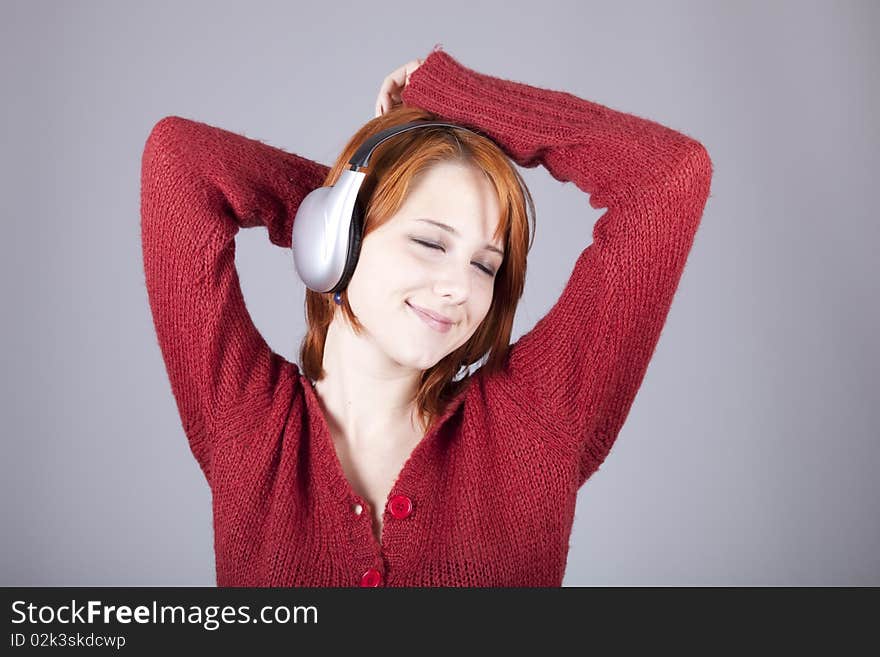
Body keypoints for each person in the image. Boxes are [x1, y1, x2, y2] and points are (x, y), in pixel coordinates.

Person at [140, 46, 713, 587]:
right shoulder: (246, 422)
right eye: (431, 243)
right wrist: (336, 215)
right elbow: (179, 158)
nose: (459, 288)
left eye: (486, 266)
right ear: (343, 237)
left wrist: (450, 91)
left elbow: (667, 178)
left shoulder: (536, 421)